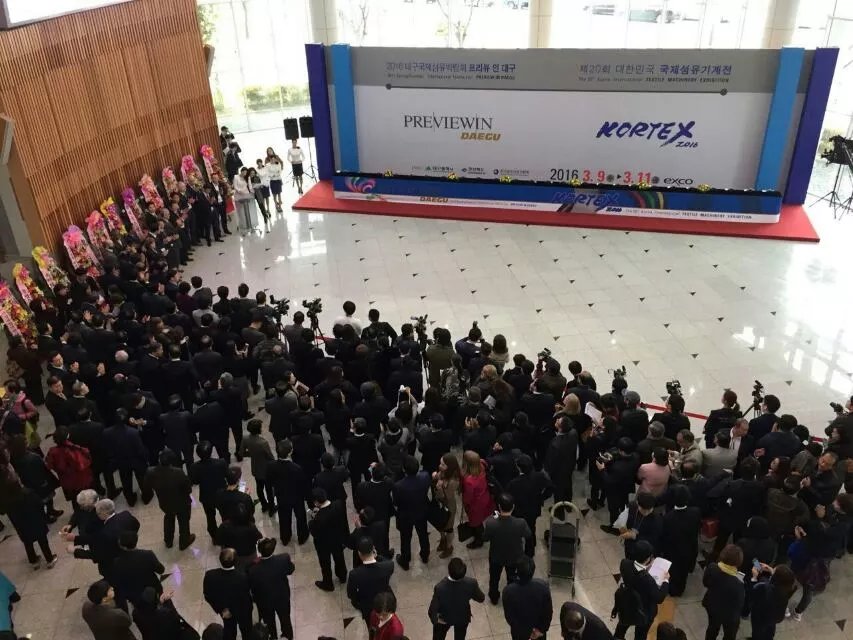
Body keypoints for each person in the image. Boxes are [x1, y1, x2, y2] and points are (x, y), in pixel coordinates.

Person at [613, 541, 668, 640]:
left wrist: (645, 567)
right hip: (644, 611)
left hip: (627, 603)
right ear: (648, 559)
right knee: (641, 635)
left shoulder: (624, 563)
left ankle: (617, 637)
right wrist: (665, 580)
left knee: (622, 625)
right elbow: (659, 598)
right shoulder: (648, 580)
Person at [143, 449, 196, 550]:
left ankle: (168, 541)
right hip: (182, 503)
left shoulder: (150, 471)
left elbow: (146, 487)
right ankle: (184, 542)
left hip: (164, 502)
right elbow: (188, 489)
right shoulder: (178, 472)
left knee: (168, 518)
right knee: (183, 521)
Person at [484, 493, 531, 605]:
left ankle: (494, 597)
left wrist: (494, 518)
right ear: (513, 507)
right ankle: (510, 597)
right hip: (514, 556)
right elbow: (528, 534)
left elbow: (485, 538)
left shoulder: (491, 523)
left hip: (496, 556)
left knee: (494, 578)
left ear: (499, 507)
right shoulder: (521, 523)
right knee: (512, 578)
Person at [247, 538, 295, 640]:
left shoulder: (253, 569)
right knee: (285, 619)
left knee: (269, 622)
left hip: (265, 601)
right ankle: (288, 636)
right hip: (282, 597)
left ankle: (272, 637)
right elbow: (291, 570)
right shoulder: (283, 559)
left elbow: (252, 587)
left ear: (260, 551)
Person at [428, 557, 486, 640]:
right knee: (460, 637)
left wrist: (436, 620)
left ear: (449, 570)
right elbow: (481, 598)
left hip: (445, 617)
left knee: (438, 637)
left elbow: (432, 611)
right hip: (462, 617)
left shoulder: (440, 588)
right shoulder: (471, 583)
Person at [659, 485, 701, 596]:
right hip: (688, 550)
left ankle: (672, 589)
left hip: (672, 551)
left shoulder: (668, 517)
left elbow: (664, 536)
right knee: (683, 572)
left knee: (673, 571)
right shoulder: (695, 513)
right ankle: (680, 589)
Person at [203, 548, 254, 640]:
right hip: (243, 611)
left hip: (226, 612)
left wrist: (221, 609)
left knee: (230, 632)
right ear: (236, 561)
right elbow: (247, 594)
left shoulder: (210, 576)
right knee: (246, 631)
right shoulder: (243, 577)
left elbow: (207, 596)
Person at [267, 439, 309, 545]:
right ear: (290, 452)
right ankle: (302, 537)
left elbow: (270, 482)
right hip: (296, 497)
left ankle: (285, 538)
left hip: (282, 496)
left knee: (284, 518)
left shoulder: (271, 466)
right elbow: (302, 484)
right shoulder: (297, 468)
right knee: (300, 517)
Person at [392, 455, 431, 570]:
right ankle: (425, 555)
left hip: (405, 516)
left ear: (404, 470)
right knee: (423, 534)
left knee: (405, 538)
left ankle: (405, 560)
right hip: (421, 512)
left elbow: (396, 502)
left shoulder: (398, 486)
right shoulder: (425, 477)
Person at [501, 556, 553, 640]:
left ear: (517, 571)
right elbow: (547, 613)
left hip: (519, 632)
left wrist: (523, 631)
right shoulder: (543, 587)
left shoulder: (508, 591)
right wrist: (541, 630)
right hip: (538, 630)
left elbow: (509, 616)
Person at [110, 530, 164, 609]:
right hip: (152, 588)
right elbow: (161, 570)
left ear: (122, 546)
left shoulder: (117, 562)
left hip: (133, 593)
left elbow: (118, 580)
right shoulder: (148, 555)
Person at [347, 537, 395, 625]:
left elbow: (351, 594)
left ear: (359, 553)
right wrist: (378, 556)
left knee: (371, 626)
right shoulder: (388, 566)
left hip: (368, 606)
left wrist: (359, 602)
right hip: (386, 602)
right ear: (373, 549)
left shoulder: (354, 574)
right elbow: (387, 561)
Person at [308, 488, 349, 591]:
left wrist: (312, 518)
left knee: (325, 563)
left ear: (316, 502)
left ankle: (328, 583)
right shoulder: (338, 505)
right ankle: (342, 576)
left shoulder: (318, 518)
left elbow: (314, 532)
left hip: (323, 544)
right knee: (339, 557)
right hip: (337, 539)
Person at [44, 426, 93, 513]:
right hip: (80, 480)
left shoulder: (52, 452)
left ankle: (77, 514)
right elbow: (83, 464)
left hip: (66, 482)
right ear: (68, 436)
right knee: (86, 499)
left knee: (74, 500)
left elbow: (49, 465)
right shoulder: (73, 450)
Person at [702, 544, 746, 640]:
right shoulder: (738, 582)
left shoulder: (712, 567)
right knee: (729, 634)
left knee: (712, 628)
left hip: (712, 605)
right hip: (729, 614)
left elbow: (705, 583)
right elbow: (739, 603)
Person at [189, 441, 228, 540]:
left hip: (206, 496)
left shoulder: (194, 467)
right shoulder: (221, 462)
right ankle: (227, 534)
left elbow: (195, 481)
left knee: (210, 517)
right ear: (211, 451)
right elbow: (226, 475)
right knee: (225, 515)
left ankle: (214, 536)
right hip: (222, 494)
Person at [749, 564, 797, 640]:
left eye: (774, 572)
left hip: (760, 617)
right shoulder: (788, 589)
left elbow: (752, 593)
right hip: (774, 618)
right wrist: (771, 570)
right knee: (768, 631)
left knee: (757, 632)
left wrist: (754, 577)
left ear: (775, 578)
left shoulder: (763, 588)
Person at [460, 450, 494, 549]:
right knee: (480, 519)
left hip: (475, 505)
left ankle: (479, 540)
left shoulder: (469, 480)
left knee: (476, 523)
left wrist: (465, 504)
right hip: (485, 497)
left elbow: (468, 497)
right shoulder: (482, 464)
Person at [240, 419, 275, 514]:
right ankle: (272, 508)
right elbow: (270, 457)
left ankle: (264, 505)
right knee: (269, 490)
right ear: (258, 429)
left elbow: (241, 453)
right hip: (266, 470)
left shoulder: (245, 439)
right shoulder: (263, 443)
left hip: (255, 468)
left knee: (259, 488)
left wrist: (251, 454)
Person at [432, 452, 461, 558]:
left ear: (450, 466)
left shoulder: (453, 481)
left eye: (443, 464)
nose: (440, 466)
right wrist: (436, 476)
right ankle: (443, 540)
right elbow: (439, 476)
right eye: (440, 463)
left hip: (448, 507)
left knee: (448, 528)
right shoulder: (444, 471)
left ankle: (449, 547)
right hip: (440, 504)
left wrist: (439, 488)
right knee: (440, 524)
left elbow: (446, 497)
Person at [544, 415, 578, 503]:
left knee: (558, 491)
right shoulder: (574, 432)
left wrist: (548, 472)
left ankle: (559, 509)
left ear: (560, 428)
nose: (557, 419)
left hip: (558, 472)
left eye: (558, 420)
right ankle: (568, 504)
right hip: (569, 466)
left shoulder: (555, 444)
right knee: (568, 486)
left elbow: (551, 462)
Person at [265, 147, 284, 213]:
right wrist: (273, 175)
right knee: (274, 194)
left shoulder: (278, 163)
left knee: (279, 193)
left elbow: (279, 171)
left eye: (270, 150)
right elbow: (267, 172)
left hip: (278, 180)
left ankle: (280, 207)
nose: (270, 152)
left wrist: (277, 174)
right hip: (272, 181)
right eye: (268, 151)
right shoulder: (267, 163)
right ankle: (276, 205)